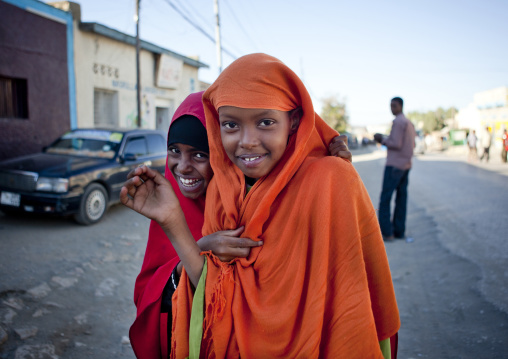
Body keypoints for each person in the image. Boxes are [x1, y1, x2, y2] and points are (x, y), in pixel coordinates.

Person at [122, 54, 399, 358]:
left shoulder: (307, 184)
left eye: (201, 155)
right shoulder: (221, 201)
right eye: (174, 151)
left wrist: (324, 154)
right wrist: (183, 232)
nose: (183, 167)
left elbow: (353, 297)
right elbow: (218, 297)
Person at [374, 97, 416, 242]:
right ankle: (399, 231)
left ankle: (387, 233)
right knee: (401, 199)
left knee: (385, 199)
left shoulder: (398, 121)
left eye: (394, 106)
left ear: (400, 106)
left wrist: (381, 140)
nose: (392, 108)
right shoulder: (408, 122)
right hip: (406, 165)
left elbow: (396, 143)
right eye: (390, 106)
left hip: (394, 165)